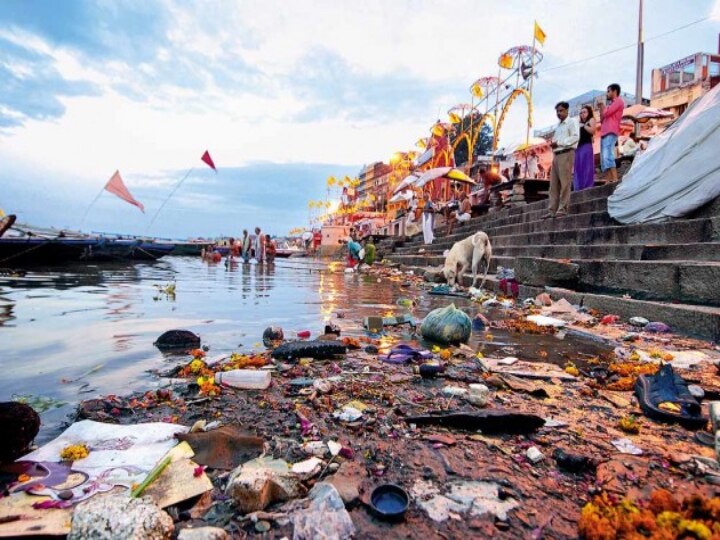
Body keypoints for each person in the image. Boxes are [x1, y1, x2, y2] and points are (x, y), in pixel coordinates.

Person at [545, 101, 579, 218]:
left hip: (566, 153)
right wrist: (554, 143)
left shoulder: (572, 122)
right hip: (556, 154)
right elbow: (556, 140)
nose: (559, 113)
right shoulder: (559, 126)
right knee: (553, 185)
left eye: (561, 110)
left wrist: (559, 143)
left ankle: (563, 208)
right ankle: (551, 210)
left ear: (567, 110)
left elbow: (575, 137)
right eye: (557, 111)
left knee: (565, 183)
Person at [597, 83, 625, 182]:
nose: (607, 93)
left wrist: (602, 106)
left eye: (608, 91)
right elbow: (602, 118)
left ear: (614, 91)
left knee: (608, 155)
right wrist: (601, 107)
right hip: (604, 132)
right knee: (604, 158)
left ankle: (615, 179)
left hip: (611, 131)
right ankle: (608, 180)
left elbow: (606, 113)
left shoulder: (619, 101)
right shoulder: (610, 104)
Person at [573, 105, 597, 191]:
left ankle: (587, 185)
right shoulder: (578, 123)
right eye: (581, 112)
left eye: (584, 112)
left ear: (588, 112)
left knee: (587, 166)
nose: (582, 114)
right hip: (578, 147)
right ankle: (578, 186)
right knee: (578, 166)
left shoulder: (591, 120)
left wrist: (584, 126)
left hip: (586, 145)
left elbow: (593, 131)